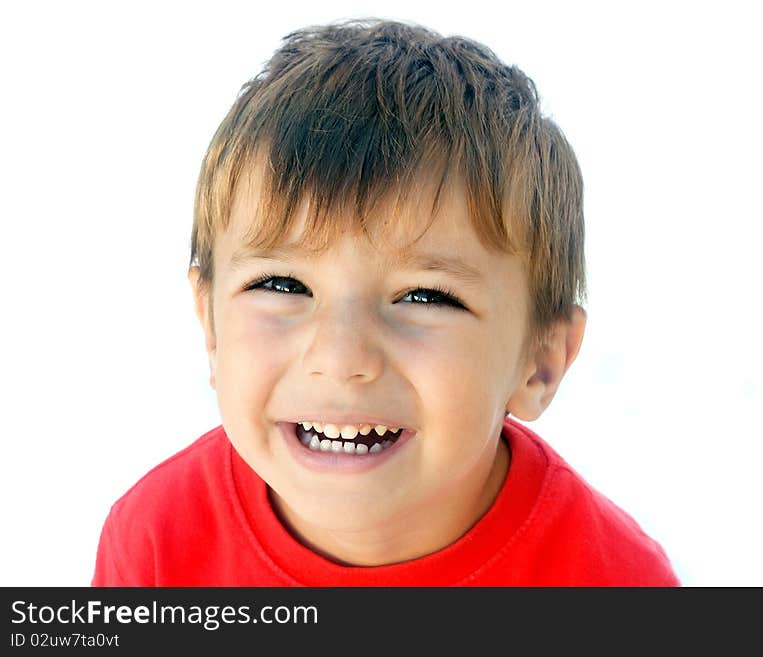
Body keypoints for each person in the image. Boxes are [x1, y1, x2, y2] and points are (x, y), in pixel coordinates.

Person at [92, 19, 679, 586]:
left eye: (426, 296)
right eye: (282, 285)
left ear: (542, 362)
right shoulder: (154, 545)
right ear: (211, 328)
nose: (342, 356)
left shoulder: (617, 582)